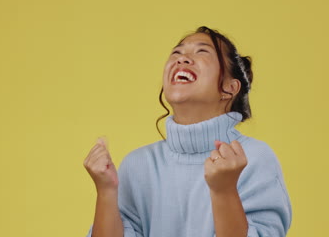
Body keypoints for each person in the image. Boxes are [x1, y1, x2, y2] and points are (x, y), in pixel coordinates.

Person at [83, 26, 292, 237]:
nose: (182, 59)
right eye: (177, 52)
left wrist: (225, 191)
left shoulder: (254, 158)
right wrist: (106, 191)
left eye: (202, 52)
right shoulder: (138, 164)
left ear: (230, 88)